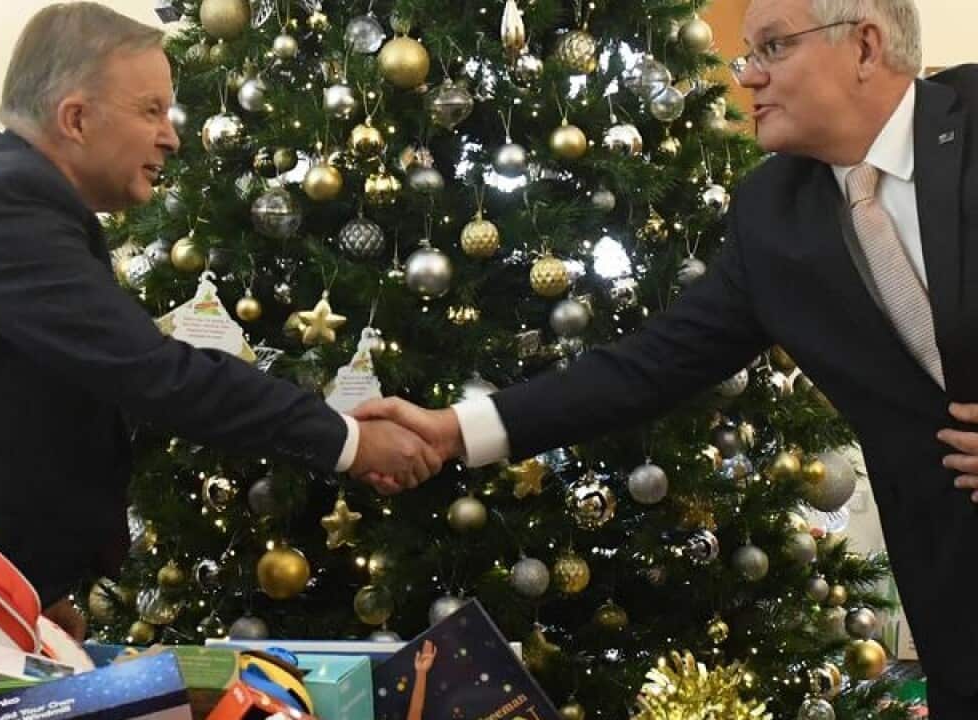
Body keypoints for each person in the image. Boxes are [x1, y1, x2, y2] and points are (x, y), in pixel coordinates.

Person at [0, 2, 441, 636]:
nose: (173, 137)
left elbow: (24, 412)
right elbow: (150, 374)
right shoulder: (3, 203)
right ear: (74, 117)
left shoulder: (11, 194)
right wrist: (347, 440)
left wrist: (24, 592)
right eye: (152, 110)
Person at [356, 0, 978, 714]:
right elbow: (648, 367)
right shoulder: (772, 212)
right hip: (958, 607)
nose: (747, 77)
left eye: (773, 48)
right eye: (747, 53)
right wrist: (455, 429)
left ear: (865, 47)